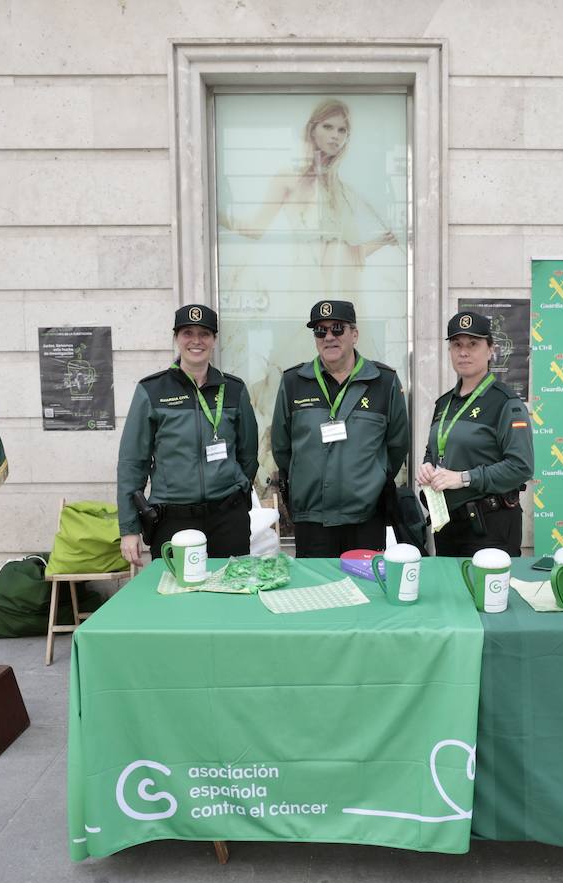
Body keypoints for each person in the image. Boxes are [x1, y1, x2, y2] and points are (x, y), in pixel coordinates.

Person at [117, 304, 258, 566]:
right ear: (176, 338)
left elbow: (248, 453)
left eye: (204, 333)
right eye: (187, 333)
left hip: (227, 518)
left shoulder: (234, 389)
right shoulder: (152, 390)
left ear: (214, 340)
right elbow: (132, 463)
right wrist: (129, 528)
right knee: (177, 600)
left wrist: (236, 487)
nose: (196, 341)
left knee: (230, 597)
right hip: (173, 520)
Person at [218, 98, 400, 300]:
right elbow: (255, 230)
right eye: (328, 126)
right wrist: (213, 214)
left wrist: (382, 241)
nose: (335, 136)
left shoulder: (345, 192)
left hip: (344, 289)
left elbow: (349, 256)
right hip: (306, 287)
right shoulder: (289, 179)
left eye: (342, 130)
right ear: (313, 130)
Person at [272, 299, 409, 557]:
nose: (329, 337)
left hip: (366, 517)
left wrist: (372, 479)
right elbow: (282, 447)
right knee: (316, 595)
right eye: (320, 331)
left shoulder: (383, 381)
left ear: (354, 334)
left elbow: (397, 445)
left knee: (366, 592)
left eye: (337, 328)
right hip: (312, 518)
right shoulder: (293, 382)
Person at [416, 311, 534, 556]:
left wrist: (464, 478)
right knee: (449, 592)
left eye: (473, 344)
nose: (464, 352)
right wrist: (427, 466)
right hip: (448, 524)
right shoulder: (444, 403)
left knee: (486, 594)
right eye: (456, 345)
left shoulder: (506, 403)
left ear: (491, 350)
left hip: (491, 526)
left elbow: (521, 467)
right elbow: (435, 450)